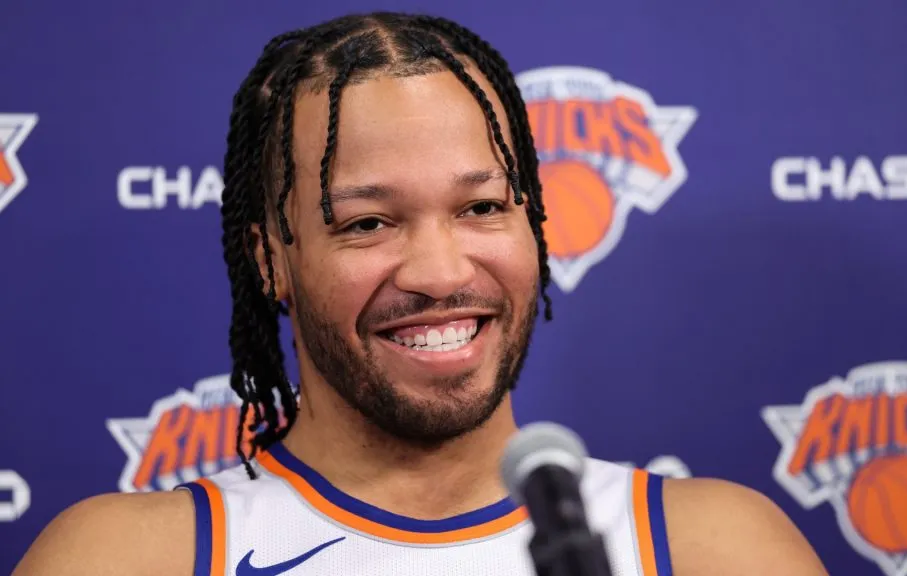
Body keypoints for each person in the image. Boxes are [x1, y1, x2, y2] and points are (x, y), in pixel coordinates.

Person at [15, 12, 827, 575]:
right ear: (271, 261)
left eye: (482, 208)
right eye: (368, 223)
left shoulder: (715, 548)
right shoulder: (126, 558)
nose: (440, 274)